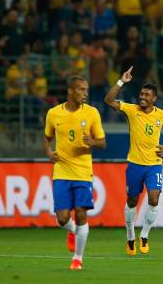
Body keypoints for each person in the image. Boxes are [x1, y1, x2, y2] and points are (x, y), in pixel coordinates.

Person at [104, 67, 163, 256]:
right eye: (141, 93)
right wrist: (121, 81)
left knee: (153, 197)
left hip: (154, 165)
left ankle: (144, 235)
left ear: (154, 98)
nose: (142, 97)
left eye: (146, 95)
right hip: (134, 164)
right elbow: (108, 100)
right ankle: (130, 236)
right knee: (132, 200)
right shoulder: (131, 110)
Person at [44, 76, 106, 270]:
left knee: (81, 214)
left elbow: (103, 142)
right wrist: (49, 152)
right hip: (61, 171)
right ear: (71, 91)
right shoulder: (53, 114)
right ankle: (71, 231)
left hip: (83, 172)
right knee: (62, 218)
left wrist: (93, 142)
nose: (85, 93)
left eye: (86, 89)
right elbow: (47, 138)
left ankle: (77, 259)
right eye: (81, 89)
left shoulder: (92, 113)